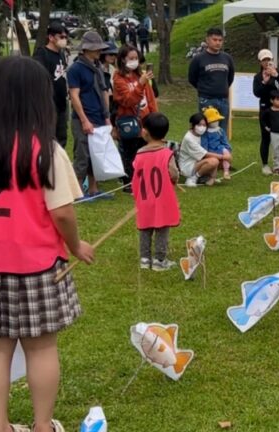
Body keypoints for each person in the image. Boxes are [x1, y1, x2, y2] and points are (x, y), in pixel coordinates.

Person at [0, 56, 94, 432]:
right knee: (40, 348)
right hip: (37, 266)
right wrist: (76, 245)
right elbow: (63, 212)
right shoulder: (46, 151)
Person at [132, 112, 180, 271]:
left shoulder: (139, 153)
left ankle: (145, 259)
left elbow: (136, 171)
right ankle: (159, 260)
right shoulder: (167, 154)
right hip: (162, 198)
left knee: (145, 227)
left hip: (144, 198)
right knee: (162, 227)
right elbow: (173, 173)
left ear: (145, 132)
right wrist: (174, 179)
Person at [67, 31, 112, 199]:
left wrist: (106, 116)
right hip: (83, 118)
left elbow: (104, 91)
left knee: (96, 155)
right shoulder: (75, 69)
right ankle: (77, 191)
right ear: (86, 49)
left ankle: (94, 189)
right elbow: (74, 96)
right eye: (96, 48)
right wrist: (84, 120)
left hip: (99, 116)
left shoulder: (98, 68)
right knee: (82, 154)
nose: (99, 51)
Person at [113, 45, 158, 192]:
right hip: (129, 120)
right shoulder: (118, 78)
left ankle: (144, 179)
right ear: (122, 59)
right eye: (131, 58)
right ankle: (129, 182)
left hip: (145, 118)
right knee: (130, 152)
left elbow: (150, 98)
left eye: (136, 58)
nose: (134, 61)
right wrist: (140, 84)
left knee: (144, 150)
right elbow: (128, 100)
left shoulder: (140, 75)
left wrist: (154, 116)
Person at [188, 27, 235, 132]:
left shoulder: (227, 58)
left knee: (222, 131)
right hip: (207, 100)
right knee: (206, 130)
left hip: (223, 100)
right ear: (207, 40)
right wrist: (204, 89)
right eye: (215, 40)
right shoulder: (198, 59)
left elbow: (230, 77)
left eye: (220, 40)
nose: (218, 43)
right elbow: (192, 78)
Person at [253, 49, 279, 176]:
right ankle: (265, 164)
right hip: (266, 109)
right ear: (260, 62)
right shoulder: (258, 77)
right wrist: (264, 82)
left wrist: (276, 75)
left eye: (269, 59)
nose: (266, 62)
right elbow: (257, 93)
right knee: (266, 136)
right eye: (264, 60)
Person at [33, 23, 70, 148]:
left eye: (65, 37)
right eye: (61, 37)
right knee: (48, 139)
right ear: (51, 37)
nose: (64, 40)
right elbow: (38, 79)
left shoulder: (61, 54)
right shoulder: (42, 54)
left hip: (61, 104)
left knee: (62, 137)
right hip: (48, 104)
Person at [180, 112, 221, 187]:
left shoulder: (201, 135)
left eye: (204, 125)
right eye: (199, 125)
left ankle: (211, 178)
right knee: (214, 161)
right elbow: (205, 154)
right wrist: (224, 157)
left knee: (216, 159)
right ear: (192, 125)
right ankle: (192, 178)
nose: (202, 127)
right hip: (188, 166)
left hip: (198, 162)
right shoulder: (189, 138)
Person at [200, 107, 233, 180]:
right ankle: (211, 176)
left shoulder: (220, 130)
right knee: (213, 161)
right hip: (210, 151)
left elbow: (224, 141)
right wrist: (206, 153)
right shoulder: (205, 132)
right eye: (213, 121)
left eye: (217, 120)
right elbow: (204, 145)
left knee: (226, 153)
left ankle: (226, 171)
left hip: (220, 148)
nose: (216, 122)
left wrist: (228, 149)